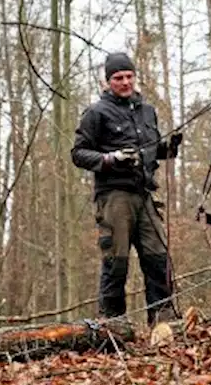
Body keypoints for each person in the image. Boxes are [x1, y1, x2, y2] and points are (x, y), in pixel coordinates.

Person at [71, 52, 183, 325]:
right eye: (118, 78)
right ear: (107, 81)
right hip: (114, 196)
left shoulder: (147, 111)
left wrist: (167, 149)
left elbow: (152, 150)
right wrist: (110, 159)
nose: (125, 82)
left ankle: (163, 322)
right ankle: (114, 326)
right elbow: (78, 153)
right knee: (116, 262)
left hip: (144, 193)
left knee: (158, 258)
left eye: (129, 76)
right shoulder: (97, 113)